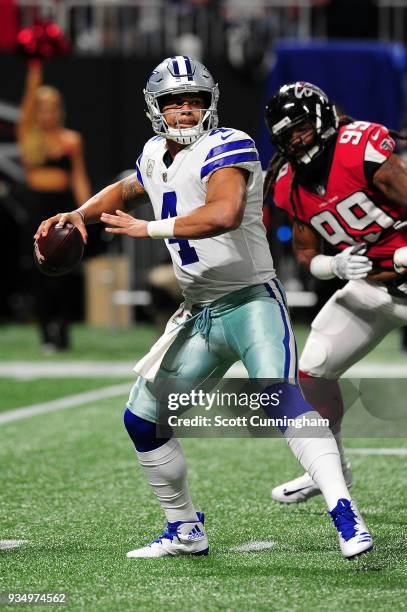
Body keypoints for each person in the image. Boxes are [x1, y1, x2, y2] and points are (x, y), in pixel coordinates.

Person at [35, 58, 372, 559]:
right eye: (175, 101)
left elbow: (224, 212)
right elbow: (131, 185)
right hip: (200, 312)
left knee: (281, 400)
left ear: (210, 103)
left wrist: (146, 229)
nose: (186, 109)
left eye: (193, 100)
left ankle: (346, 514)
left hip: (251, 301)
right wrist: (79, 214)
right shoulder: (154, 152)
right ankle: (185, 529)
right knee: (142, 419)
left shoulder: (229, 144)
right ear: (156, 107)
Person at [264, 81, 407, 503]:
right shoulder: (288, 182)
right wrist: (334, 264)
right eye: (286, 135)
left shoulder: (359, 150)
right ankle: (330, 469)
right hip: (370, 289)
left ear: (323, 119)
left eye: (302, 128)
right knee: (313, 368)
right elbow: (307, 252)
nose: (296, 141)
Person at [17, 60, 91, 351]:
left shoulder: (71, 139)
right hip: (36, 206)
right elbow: (27, 101)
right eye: (42, 108)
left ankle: (63, 328)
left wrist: (86, 211)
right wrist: (35, 67)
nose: (47, 113)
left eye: (52, 107)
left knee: (67, 270)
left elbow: (79, 177)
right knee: (39, 270)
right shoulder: (29, 136)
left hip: (62, 206)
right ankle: (46, 332)